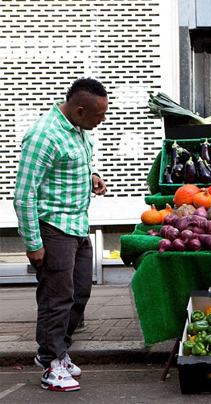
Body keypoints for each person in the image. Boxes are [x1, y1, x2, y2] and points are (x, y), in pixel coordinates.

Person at [13, 78, 108, 391]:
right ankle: (51, 363)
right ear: (79, 110)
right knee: (57, 297)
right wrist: (33, 244)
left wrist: (92, 177)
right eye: (98, 115)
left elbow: (73, 166)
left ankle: (59, 351)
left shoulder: (78, 128)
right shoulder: (44, 136)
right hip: (53, 228)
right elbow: (24, 195)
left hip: (78, 224)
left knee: (79, 292)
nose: (102, 120)